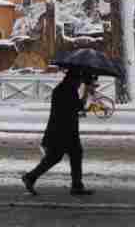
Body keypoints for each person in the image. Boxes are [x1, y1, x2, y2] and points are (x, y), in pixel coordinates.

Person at [21, 68, 92, 196]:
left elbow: (72, 109)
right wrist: (87, 91)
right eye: (79, 80)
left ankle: (31, 177)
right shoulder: (68, 90)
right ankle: (75, 186)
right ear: (74, 79)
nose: (80, 83)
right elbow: (78, 107)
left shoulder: (64, 88)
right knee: (65, 156)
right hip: (64, 131)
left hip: (62, 130)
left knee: (61, 156)